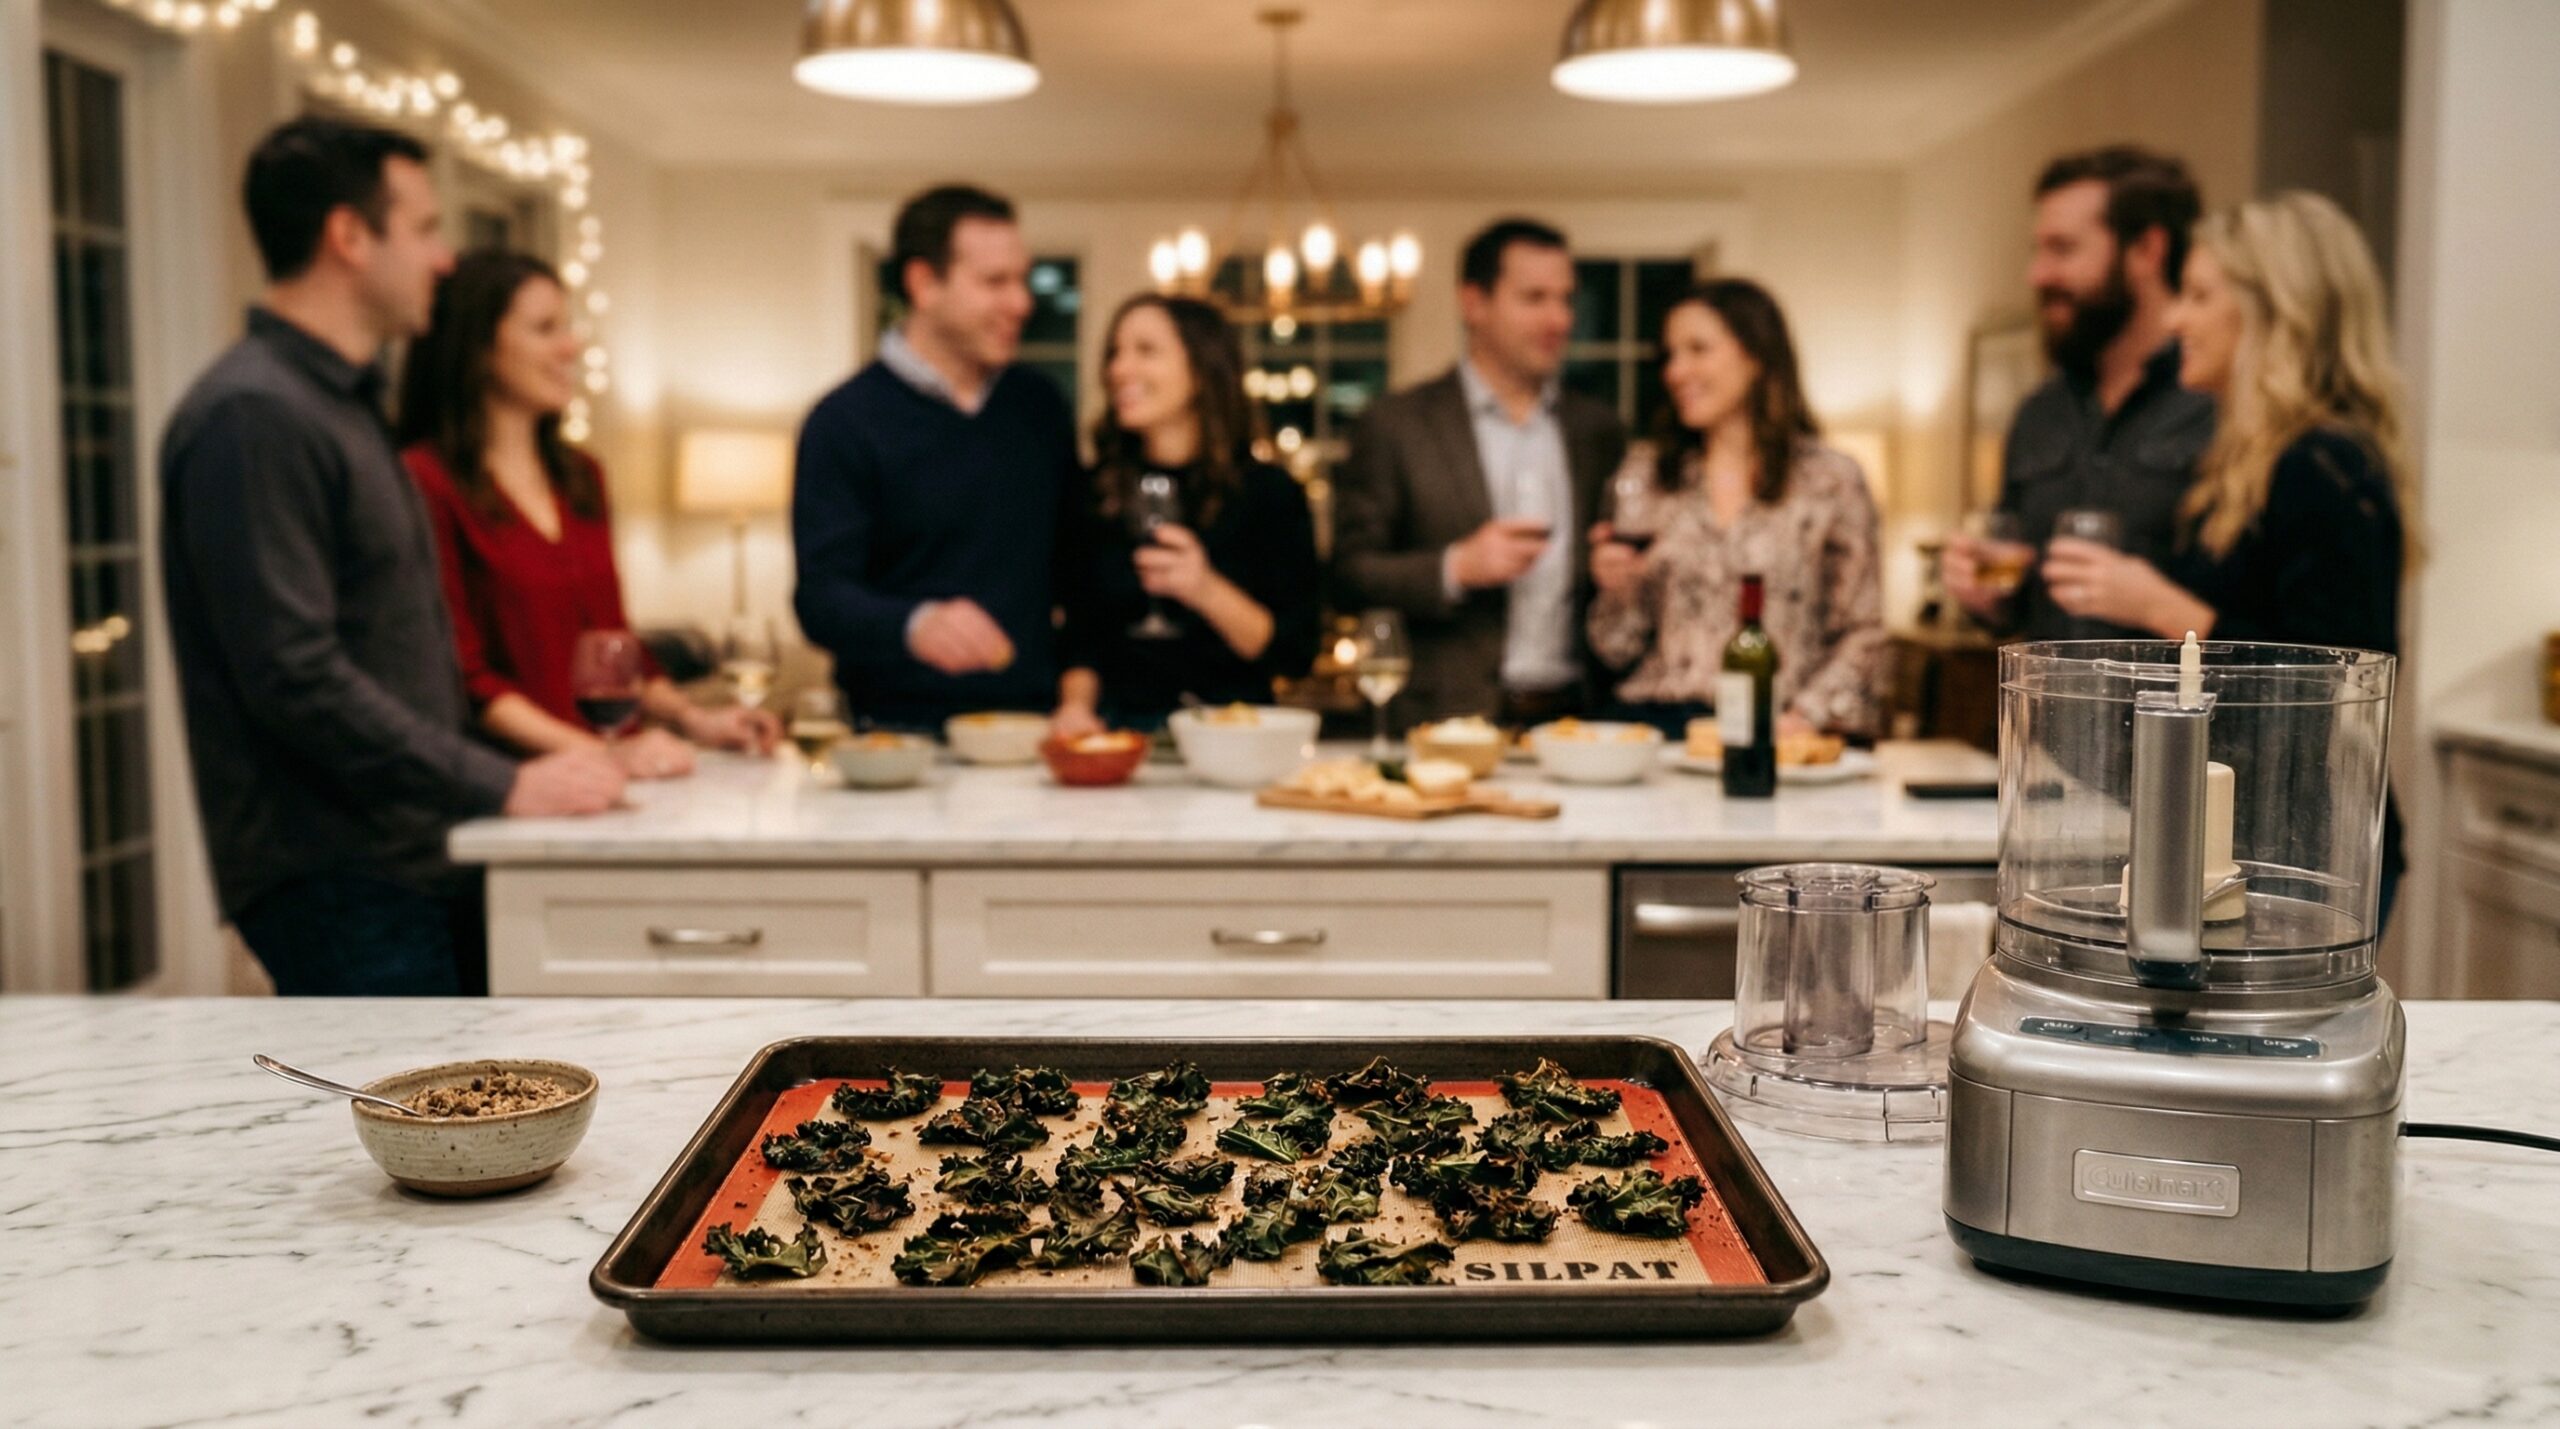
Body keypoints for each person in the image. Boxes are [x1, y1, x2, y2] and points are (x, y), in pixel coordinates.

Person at [159, 118, 623, 997]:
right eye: (423, 229)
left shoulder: (344, 405)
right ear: (348, 237)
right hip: (340, 869)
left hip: (413, 851)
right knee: (407, 1134)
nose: (444, 260)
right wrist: (501, 780)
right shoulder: (256, 414)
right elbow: (295, 675)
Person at [2033, 191, 2415, 925]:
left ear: (2278, 312)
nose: (2176, 321)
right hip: (2255, 833)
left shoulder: (2324, 463)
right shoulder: (2251, 460)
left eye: (2201, 296)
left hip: (2306, 848)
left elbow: (2344, 669)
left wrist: (2159, 606)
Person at [400, 250, 779, 777]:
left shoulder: (581, 477)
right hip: (518, 785)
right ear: (479, 347)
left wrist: (698, 720)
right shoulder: (425, 482)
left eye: (568, 326)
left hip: (613, 780)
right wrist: (602, 754)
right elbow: (465, 678)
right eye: (544, 328)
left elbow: (617, 649)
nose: (571, 345)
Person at [792, 184, 1082, 731]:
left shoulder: (1039, 406)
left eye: (1021, 278)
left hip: (1032, 731)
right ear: (924, 284)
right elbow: (821, 600)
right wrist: (914, 624)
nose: (1021, 302)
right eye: (995, 281)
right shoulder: (843, 421)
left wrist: (1078, 699)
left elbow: (1079, 575)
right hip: (894, 740)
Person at [1331, 218, 1627, 728]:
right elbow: (1346, 576)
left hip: (1578, 723)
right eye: (1534, 298)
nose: (1558, 318)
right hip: (1442, 723)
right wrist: (1456, 567)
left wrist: (1619, 571)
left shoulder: (1597, 429)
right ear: (1474, 303)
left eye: (1566, 299)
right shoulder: (1396, 424)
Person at [1586, 279, 1888, 737]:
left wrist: (1806, 717)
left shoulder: (1830, 480)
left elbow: (1865, 632)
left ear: (1757, 354)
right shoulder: (1648, 475)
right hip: (1656, 726)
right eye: (1670, 354)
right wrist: (1617, 588)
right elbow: (1614, 649)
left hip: (1779, 727)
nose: (1675, 371)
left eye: (1698, 349)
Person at [1941, 146, 2215, 640]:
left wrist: (2156, 606)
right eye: (2038, 249)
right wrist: (1990, 595)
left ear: (2146, 251)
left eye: (2062, 249)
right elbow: (2026, 605)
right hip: (2049, 714)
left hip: (2174, 717)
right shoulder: (2039, 414)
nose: (2037, 275)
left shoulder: (2221, 410)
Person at [1051, 295, 1320, 734]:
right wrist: (1075, 708)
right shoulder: (1095, 491)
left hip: (1233, 740)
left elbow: (1293, 653)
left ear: (1201, 369)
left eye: (1146, 350)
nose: (1119, 369)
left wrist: (1205, 590)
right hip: (1121, 740)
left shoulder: (1268, 494)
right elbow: (1081, 634)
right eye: (1115, 353)